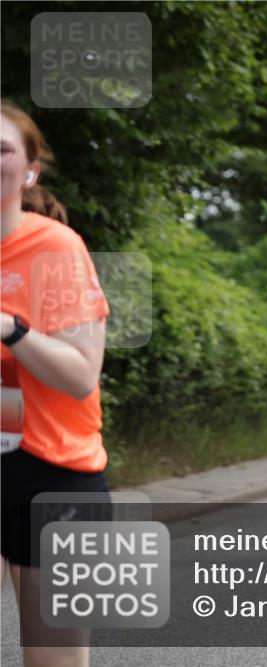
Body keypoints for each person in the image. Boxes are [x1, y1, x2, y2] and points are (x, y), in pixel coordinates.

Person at [1, 99, 111, 667]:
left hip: (55, 474)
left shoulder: (55, 249)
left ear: (31, 170)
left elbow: (79, 375)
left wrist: (9, 328)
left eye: (2, 148)